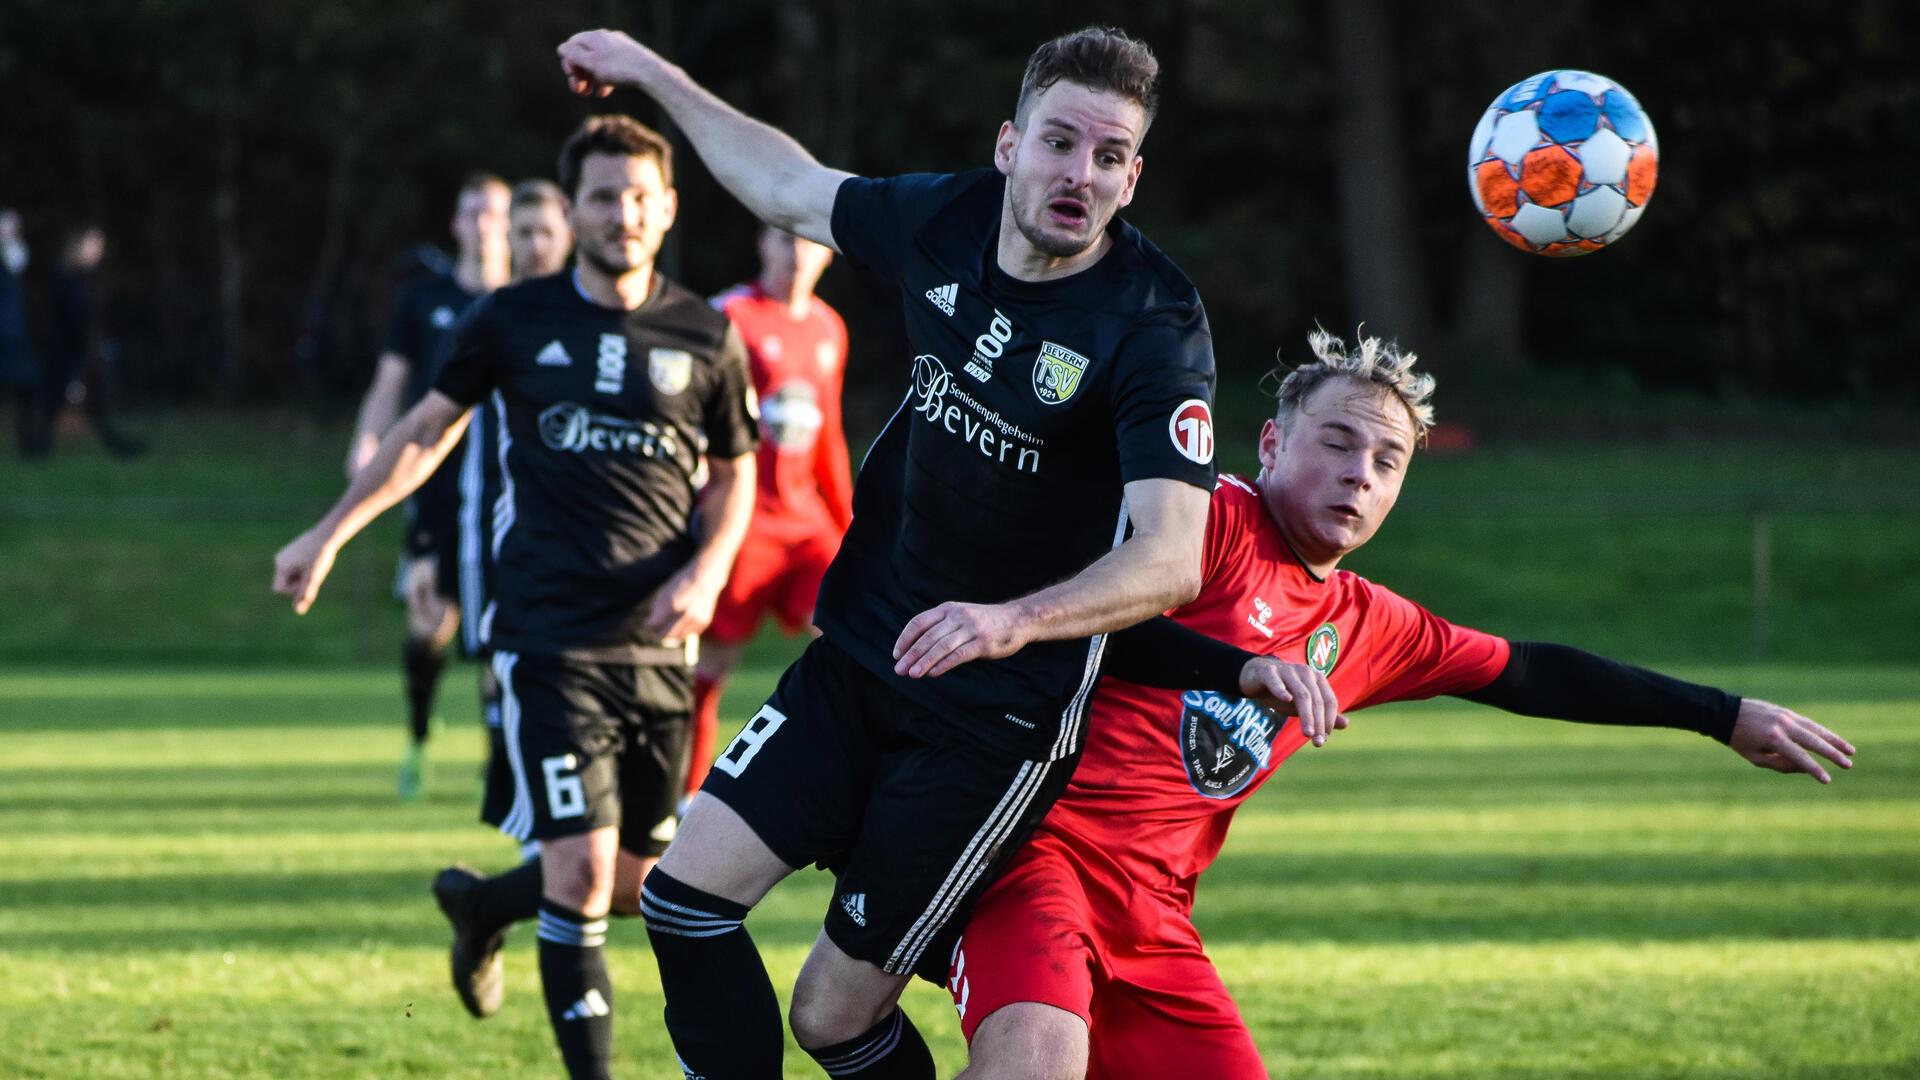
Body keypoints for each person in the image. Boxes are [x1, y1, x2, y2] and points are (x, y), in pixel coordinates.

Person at [559, 24, 1220, 1078]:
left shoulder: (1154, 324)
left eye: (1107, 158)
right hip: (863, 650)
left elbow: (1171, 556)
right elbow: (786, 183)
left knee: (831, 1017)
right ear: (1010, 145)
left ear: (1132, 179)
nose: (1078, 175)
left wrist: (1012, 621)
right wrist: (652, 76)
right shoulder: (944, 217)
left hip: (992, 719)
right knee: (681, 901)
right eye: (1059, 143)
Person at [945, 328, 1859, 1080]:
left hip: (1155, 915)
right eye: (1337, 443)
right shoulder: (1199, 524)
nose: (1361, 475)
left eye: (1388, 460)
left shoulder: (1367, 624)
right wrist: (1237, 670)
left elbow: (1530, 671)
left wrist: (1721, 714)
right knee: (1035, 1062)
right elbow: (1073, 618)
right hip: (1031, 852)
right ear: (1270, 445)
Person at [272, 115, 758, 1080]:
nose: (621, 214)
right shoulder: (511, 320)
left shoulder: (706, 333)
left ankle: (486, 906)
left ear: (666, 210)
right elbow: (422, 432)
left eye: (638, 198)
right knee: (579, 872)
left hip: (656, 644)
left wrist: (705, 574)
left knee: (635, 884)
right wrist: (328, 532)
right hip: (546, 635)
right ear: (570, 210)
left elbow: (735, 475)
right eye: (602, 198)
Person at [344, 173, 510, 801]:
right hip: (435, 486)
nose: (485, 225)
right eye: (474, 213)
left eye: (496, 213)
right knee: (428, 626)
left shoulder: (527, 300)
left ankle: (501, 765)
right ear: (457, 224)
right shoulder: (423, 300)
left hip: (505, 491)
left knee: (502, 634)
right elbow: (390, 384)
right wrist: (367, 441)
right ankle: (418, 735)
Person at [688, 224, 853, 801]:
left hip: (807, 526)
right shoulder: (732, 314)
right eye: (785, 238)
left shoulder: (830, 327)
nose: (797, 251)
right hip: (745, 522)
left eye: (808, 240)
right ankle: (685, 795)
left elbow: (826, 435)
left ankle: (836, 786)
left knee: (855, 637)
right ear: (762, 242)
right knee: (711, 665)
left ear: (829, 254)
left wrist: (851, 527)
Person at [473, 178, 576, 843]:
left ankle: (487, 903)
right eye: (523, 234)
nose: (535, 246)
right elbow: (455, 455)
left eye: (545, 232)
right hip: (520, 569)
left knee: (631, 861)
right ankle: (522, 874)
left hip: (614, 584)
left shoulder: (614, 320)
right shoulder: (497, 324)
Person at [33, 222, 143, 458]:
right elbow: (71, 319)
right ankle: (36, 447)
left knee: (93, 404)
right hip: (68, 350)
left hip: (82, 350)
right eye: (93, 245)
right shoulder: (67, 277)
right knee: (55, 400)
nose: (97, 251)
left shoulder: (85, 278)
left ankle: (117, 446)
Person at [0, 209, 40, 456]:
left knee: (28, 385)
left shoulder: (16, 255)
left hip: (13, 335)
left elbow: (17, 259)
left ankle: (29, 444)